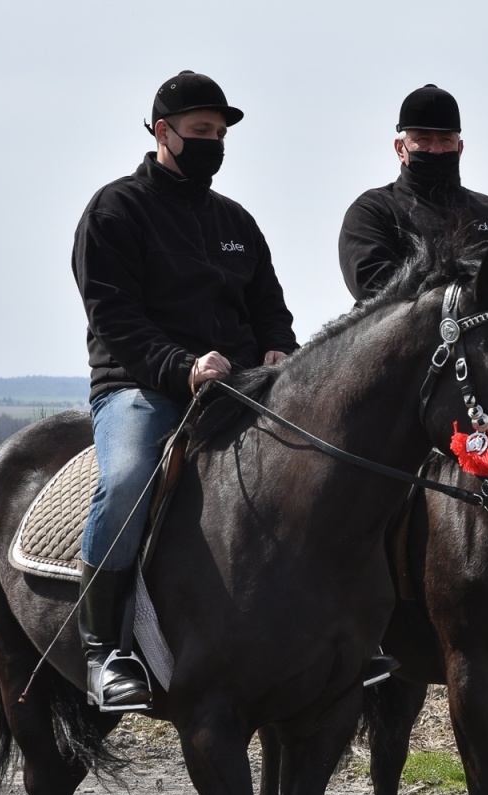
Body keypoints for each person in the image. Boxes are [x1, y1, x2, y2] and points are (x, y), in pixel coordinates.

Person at [71, 70, 298, 713]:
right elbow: (113, 318)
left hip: (241, 387)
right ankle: (102, 651)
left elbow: (269, 308)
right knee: (128, 479)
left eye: (221, 134)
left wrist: (280, 347)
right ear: (161, 132)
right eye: (201, 132)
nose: (214, 144)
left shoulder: (236, 221)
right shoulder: (115, 210)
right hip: (143, 388)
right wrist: (181, 367)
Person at [338, 84, 488, 300]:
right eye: (423, 139)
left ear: (460, 148)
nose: (436, 149)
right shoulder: (373, 212)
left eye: (446, 140)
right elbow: (375, 294)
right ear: (400, 149)